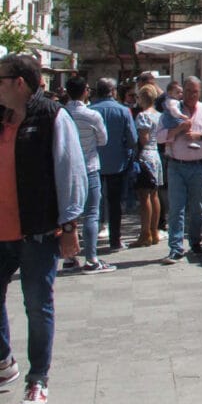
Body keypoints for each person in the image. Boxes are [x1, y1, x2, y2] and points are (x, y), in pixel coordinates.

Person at [0, 53, 89, 404]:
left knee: (37, 306)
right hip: (2, 230)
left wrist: (69, 226)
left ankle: (38, 378)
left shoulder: (53, 117)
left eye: (0, 80)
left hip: (37, 231)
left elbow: (71, 173)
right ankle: (5, 360)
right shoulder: (1, 118)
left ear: (18, 83)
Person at [157, 76, 202, 264]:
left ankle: (195, 241)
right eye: (187, 91)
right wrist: (178, 130)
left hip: (200, 165)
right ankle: (176, 248)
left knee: (198, 208)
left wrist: (201, 136)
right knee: (177, 208)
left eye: (194, 92)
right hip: (177, 165)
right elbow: (159, 136)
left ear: (199, 92)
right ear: (182, 91)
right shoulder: (172, 110)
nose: (191, 95)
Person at [62, 77, 112, 273]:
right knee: (92, 213)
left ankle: (69, 257)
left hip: (66, 169)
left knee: (69, 213)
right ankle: (91, 259)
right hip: (89, 167)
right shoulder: (92, 115)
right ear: (85, 91)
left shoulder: (61, 113)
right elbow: (103, 140)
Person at [89, 78, 135, 253]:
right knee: (115, 202)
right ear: (113, 91)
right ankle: (115, 240)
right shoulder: (123, 111)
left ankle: (93, 237)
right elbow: (133, 139)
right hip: (118, 163)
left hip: (94, 163)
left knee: (94, 203)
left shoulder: (90, 111)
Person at [131, 85, 163, 247]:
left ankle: (146, 233)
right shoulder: (160, 116)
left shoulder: (143, 116)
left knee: (144, 196)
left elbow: (143, 138)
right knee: (154, 194)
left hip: (146, 155)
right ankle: (154, 230)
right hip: (156, 154)